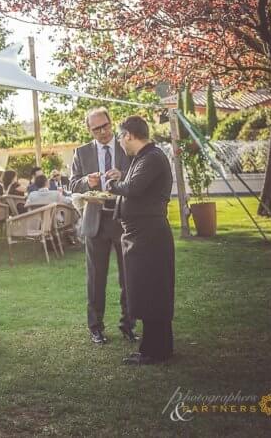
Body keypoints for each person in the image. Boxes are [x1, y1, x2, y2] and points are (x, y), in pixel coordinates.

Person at [105, 116, 175, 365]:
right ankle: (153, 348)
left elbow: (133, 188)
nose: (120, 143)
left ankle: (156, 351)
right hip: (141, 236)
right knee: (147, 293)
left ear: (129, 135)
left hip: (150, 237)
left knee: (153, 294)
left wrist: (112, 184)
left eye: (120, 137)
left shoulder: (152, 157)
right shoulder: (142, 158)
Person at [70, 106, 136, 346]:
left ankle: (128, 324)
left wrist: (124, 176)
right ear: (89, 130)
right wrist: (87, 181)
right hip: (95, 220)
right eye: (96, 128)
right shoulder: (81, 152)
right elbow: (73, 185)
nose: (103, 132)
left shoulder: (126, 145)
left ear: (111, 123)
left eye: (106, 126)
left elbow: (137, 176)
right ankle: (95, 327)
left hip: (122, 218)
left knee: (128, 276)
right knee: (96, 278)